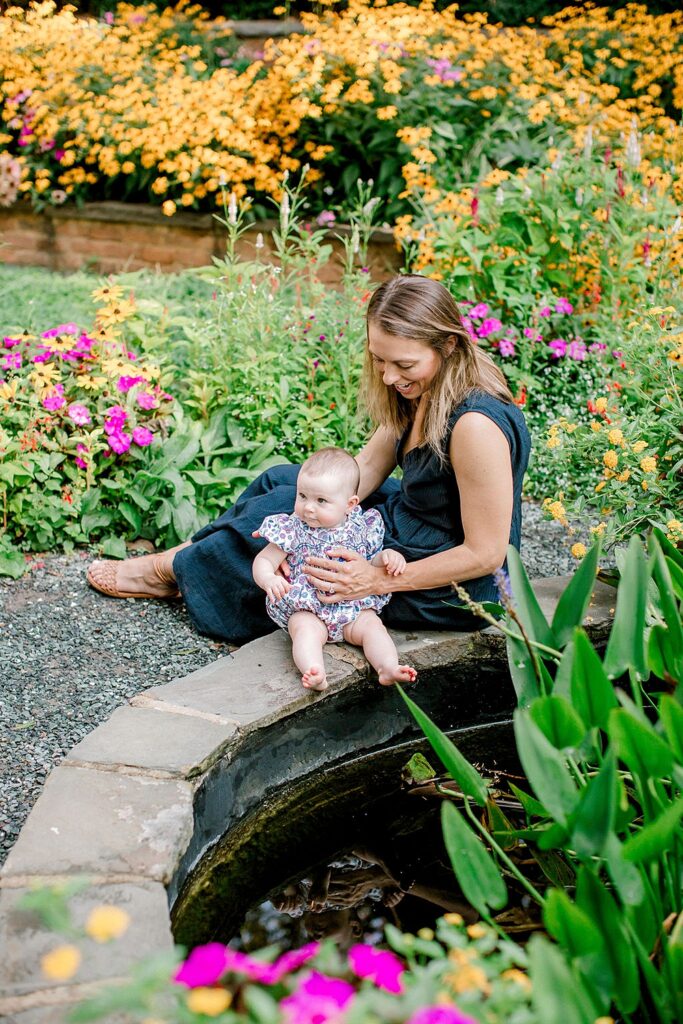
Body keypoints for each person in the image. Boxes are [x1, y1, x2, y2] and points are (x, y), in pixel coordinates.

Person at [87, 274, 530, 645]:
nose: (389, 376)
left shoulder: (475, 425)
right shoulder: (425, 388)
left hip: (448, 580)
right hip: (416, 524)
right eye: (379, 360)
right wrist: (315, 508)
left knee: (286, 521)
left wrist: (374, 581)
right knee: (285, 484)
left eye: (403, 365)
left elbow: (486, 552)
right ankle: (190, 559)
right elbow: (363, 473)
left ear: (449, 346)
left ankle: (167, 569)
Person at [252, 446, 417, 691]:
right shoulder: (293, 528)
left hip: (352, 608)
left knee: (373, 627)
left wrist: (387, 557)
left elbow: (369, 561)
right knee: (303, 631)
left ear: (349, 504)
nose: (308, 507)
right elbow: (264, 560)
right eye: (302, 496)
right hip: (308, 606)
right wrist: (267, 578)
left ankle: (387, 667)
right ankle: (314, 671)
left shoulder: (362, 527)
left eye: (321, 501)